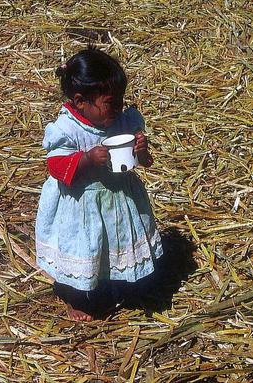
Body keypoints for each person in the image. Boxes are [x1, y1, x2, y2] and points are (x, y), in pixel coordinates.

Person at [35, 46, 163, 321]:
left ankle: (113, 282)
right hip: (81, 204)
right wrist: (86, 159)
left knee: (111, 244)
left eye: (120, 101)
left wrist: (141, 148)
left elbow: (145, 162)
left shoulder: (122, 121)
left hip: (119, 197)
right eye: (110, 102)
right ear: (81, 101)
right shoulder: (66, 129)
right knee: (83, 248)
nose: (118, 108)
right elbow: (55, 166)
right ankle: (77, 297)